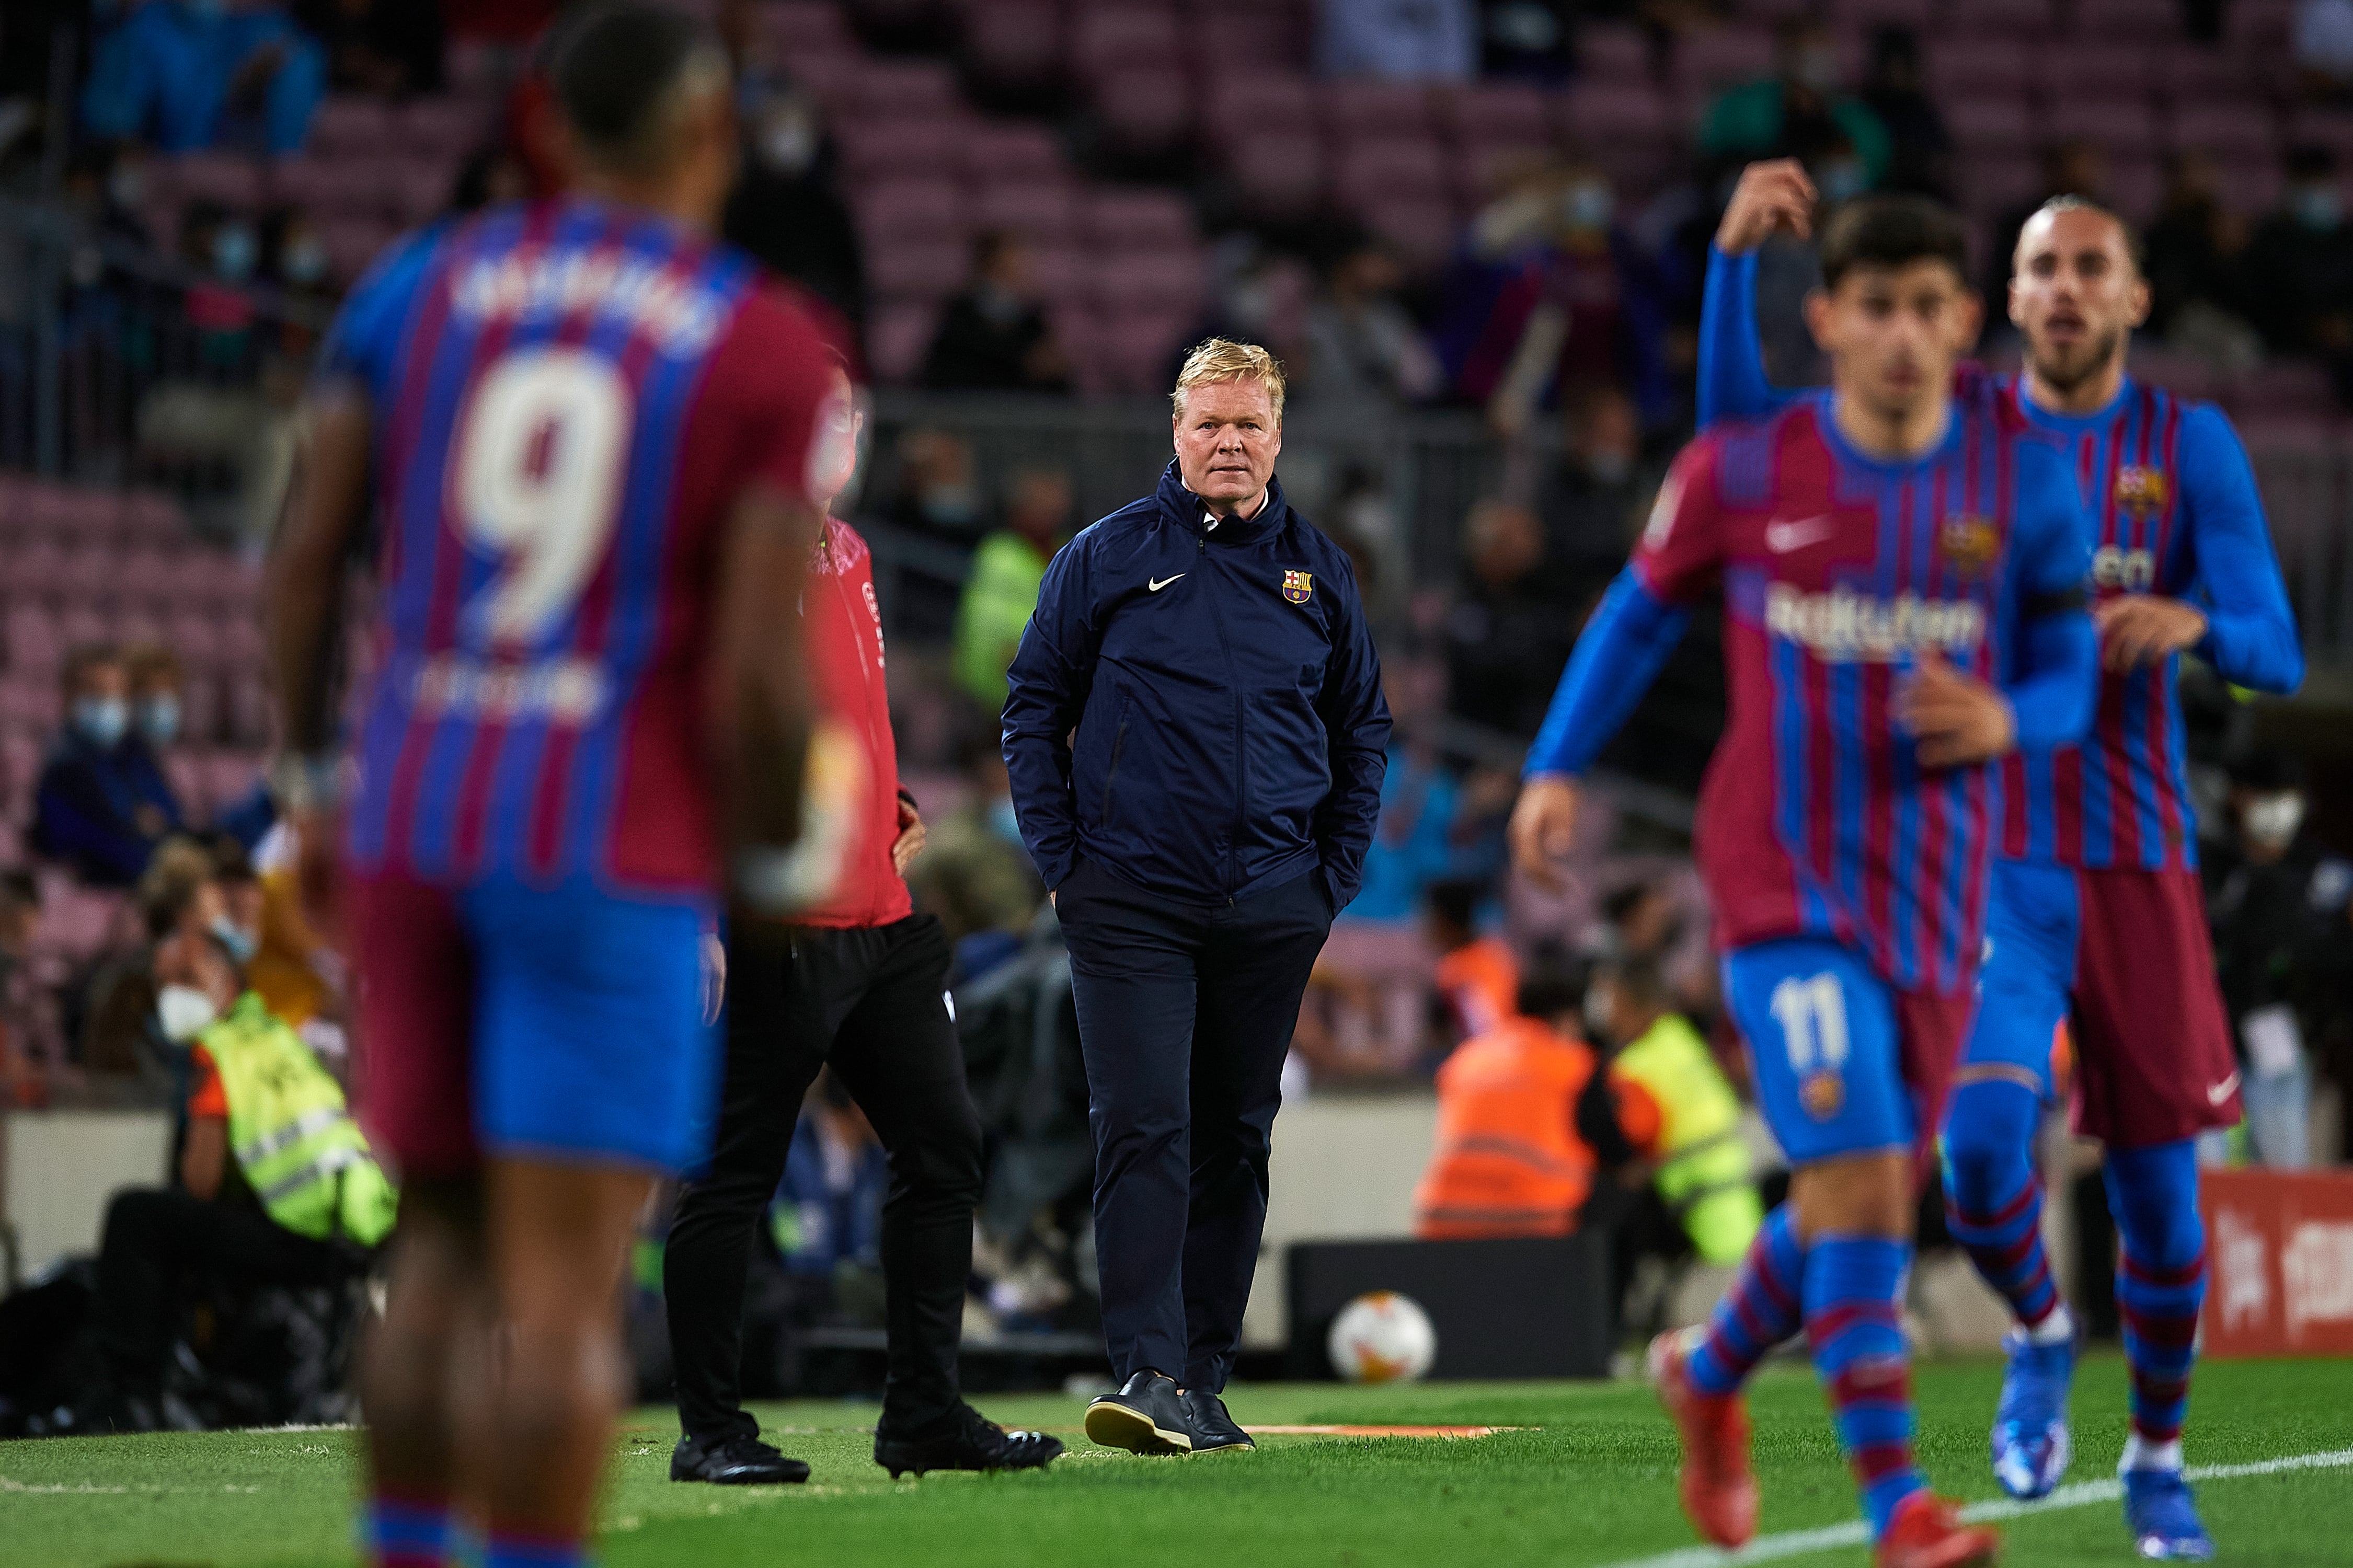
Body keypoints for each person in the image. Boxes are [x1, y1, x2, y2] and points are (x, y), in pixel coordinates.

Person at [267, 8, 840, 1566]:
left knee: (437, 1256)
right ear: (709, 127)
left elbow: (307, 560)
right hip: (608, 842)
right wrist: (779, 853)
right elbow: (751, 672)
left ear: (547, 126)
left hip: (417, 817)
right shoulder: (755, 338)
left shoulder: (420, 286)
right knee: (563, 1285)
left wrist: (314, 783)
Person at [1700, 159, 2306, 1560]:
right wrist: (1736, 272)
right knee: (1973, 1154)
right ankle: (2040, 1332)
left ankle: (2155, 1462)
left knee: (2158, 1203)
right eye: (2039, 267)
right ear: (2005, 300)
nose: (2064, 290)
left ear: (2133, 298)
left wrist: (2189, 624)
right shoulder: (1950, 423)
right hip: (1991, 868)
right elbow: (1738, 435)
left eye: (2091, 267)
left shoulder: (2185, 445)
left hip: (2140, 864)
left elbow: (2273, 646)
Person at [1512, 193, 2098, 1567]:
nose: (1899, 333)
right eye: (1871, 305)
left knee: (1865, 1181)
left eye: (1924, 306)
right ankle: (1897, 1504)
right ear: (1825, 319)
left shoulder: (2018, 483)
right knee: (1863, 1181)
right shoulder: (1745, 467)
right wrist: (1552, 765)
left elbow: (2073, 670)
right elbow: (1634, 614)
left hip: (1935, 890)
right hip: (1776, 878)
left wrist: (2014, 718)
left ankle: (1708, 1371)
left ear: (1963, 322)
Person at [664, 363, 1061, 1487]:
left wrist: (885, 799)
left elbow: (844, 708)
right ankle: (711, 1432)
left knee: (944, 1154)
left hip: (883, 918)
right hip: (779, 923)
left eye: (850, 418)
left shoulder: (848, 553)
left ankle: (923, 1415)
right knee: (736, 1176)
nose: (837, 435)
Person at [1002, 337, 1391, 1456]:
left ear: (1279, 436)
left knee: (1236, 1134)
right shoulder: (1106, 555)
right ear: (1174, 434)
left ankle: (1206, 1377)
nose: (1229, 441)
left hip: (1274, 901)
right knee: (1142, 1126)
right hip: (1129, 898)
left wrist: (1332, 876)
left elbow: (1363, 726)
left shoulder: (1321, 571)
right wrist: (1065, 862)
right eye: (1208, 423)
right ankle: (1145, 1369)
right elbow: (1032, 704)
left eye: (1249, 425)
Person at [85, 839, 392, 1432]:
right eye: (164, 980)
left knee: (137, 1216)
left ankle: (130, 1396)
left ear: (220, 982)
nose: (171, 991)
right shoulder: (274, 1035)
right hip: (355, 1229)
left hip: (303, 1237)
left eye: (186, 978)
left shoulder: (222, 1051)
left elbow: (201, 1182)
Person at [2206, 752, 2350, 1169]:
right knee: (2206, 1163)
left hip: (2282, 1031)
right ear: (2238, 797)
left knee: (2281, 1157)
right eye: (2264, 794)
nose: (2276, 807)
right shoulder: (2213, 864)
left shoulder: (2321, 871)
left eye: (2287, 796)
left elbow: (2332, 956)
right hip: (2210, 1032)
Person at [1582, 956, 1761, 1267]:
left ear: (1627, 999)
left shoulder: (1633, 1066)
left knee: (1725, 1287)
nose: (1599, 1005)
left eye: (1605, 994)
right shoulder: (1676, 1033)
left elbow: (1632, 1135)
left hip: (1700, 1193)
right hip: (1731, 1175)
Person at [1413, 965, 1598, 1238]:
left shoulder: (1467, 1059)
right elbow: (1615, 1132)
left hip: (1446, 1218)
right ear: (1568, 1018)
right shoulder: (1573, 1062)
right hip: (1537, 1219)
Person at [81, 0, 327, 156]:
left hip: (249, 32)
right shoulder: (148, 31)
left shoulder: (271, 29)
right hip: (166, 26)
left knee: (300, 67)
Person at [31, 644, 185, 887]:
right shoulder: (65, 766)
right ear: (70, 697)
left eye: (117, 695)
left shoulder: (127, 756)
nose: (109, 703)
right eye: (98, 693)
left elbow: (171, 816)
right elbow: (85, 844)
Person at [721, 82, 865, 337]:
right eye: (778, 124)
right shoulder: (739, 207)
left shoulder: (828, 209)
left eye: (793, 125)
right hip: (752, 328)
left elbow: (853, 291)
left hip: (818, 333)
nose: (787, 137)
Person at [1700, 18, 1890, 192]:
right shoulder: (1746, 104)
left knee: (1844, 180)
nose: (1817, 57)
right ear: (1786, 55)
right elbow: (1716, 156)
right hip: (1766, 190)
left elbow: (1875, 164)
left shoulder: (1850, 113)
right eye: (1807, 47)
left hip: (1826, 203)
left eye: (1822, 47)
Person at [1443, 498, 1574, 737]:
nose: (1523, 550)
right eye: (1508, 543)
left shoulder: (1543, 598)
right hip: (1480, 745)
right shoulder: (1466, 608)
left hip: (1536, 737)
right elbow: (1490, 671)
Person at [952, 466, 1072, 711]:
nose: (1052, 512)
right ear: (1019, 508)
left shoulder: (1069, 549)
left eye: (1056, 505)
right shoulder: (999, 555)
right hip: (998, 696)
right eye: (1042, 505)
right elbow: (1001, 645)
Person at [2239, 145, 2353, 400]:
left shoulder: (2346, 237)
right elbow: (2262, 298)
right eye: (2309, 183)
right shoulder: (2272, 238)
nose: (2318, 191)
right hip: (2291, 334)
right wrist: (2311, 325)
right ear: (2293, 186)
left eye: (2323, 182)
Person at [1297, 236, 1444, 414]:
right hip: (1314, 422)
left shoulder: (1387, 320)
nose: (1386, 270)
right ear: (1349, 262)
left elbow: (1425, 381)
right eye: (1376, 260)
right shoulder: (1306, 316)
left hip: (1377, 422)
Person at [921, 230, 1071, 393]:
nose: (1027, 267)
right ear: (992, 263)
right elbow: (943, 381)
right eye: (1017, 258)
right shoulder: (958, 318)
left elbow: (1057, 389)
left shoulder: (1033, 322)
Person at [1426, 878, 1516, 1044]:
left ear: (1444, 922)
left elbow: (1484, 1030)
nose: (1425, 929)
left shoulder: (1452, 971)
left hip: (1488, 1054)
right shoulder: (1498, 952)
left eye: (1429, 920)